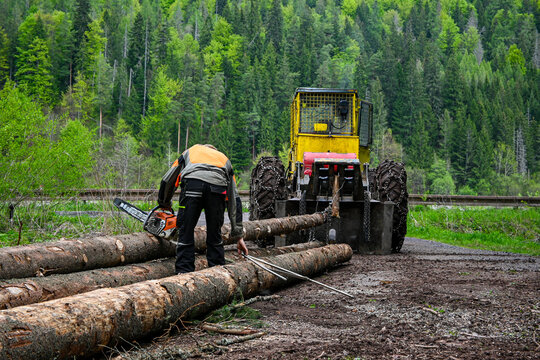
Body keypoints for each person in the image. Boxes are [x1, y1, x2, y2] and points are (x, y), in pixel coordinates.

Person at [157, 144, 248, 274]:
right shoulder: (224, 159)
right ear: (214, 151)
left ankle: (184, 272)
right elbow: (235, 199)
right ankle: (217, 272)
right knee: (215, 233)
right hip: (217, 189)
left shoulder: (190, 152)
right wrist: (239, 236)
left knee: (186, 231)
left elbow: (167, 180)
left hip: (192, 184)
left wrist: (164, 203)